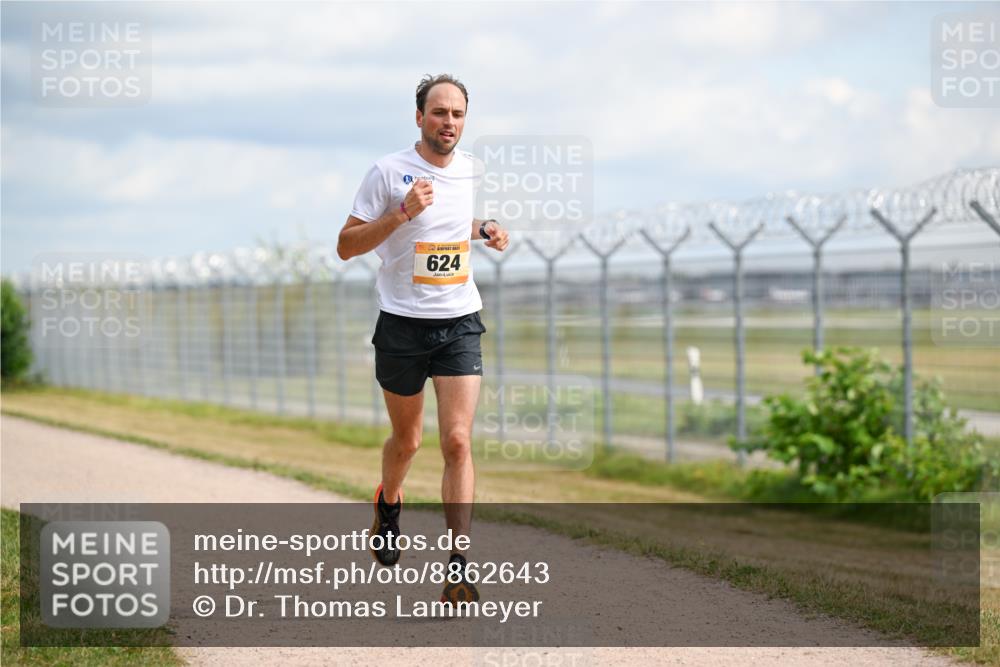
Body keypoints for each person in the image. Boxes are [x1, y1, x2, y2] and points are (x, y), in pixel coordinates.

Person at [337, 73, 509, 605]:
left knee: (457, 440)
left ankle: (459, 564)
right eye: (439, 112)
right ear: (419, 117)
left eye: (457, 114)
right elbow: (346, 246)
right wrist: (400, 212)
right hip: (401, 324)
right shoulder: (387, 172)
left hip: (459, 319)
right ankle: (389, 503)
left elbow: (451, 224)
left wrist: (484, 229)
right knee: (408, 441)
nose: (449, 122)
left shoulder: (470, 172)